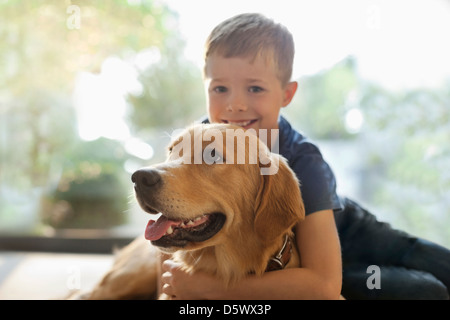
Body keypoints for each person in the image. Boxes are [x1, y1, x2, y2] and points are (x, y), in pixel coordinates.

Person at [159, 13, 450, 300]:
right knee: (425, 291)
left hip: (345, 230)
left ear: (286, 94)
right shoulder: (194, 142)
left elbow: (322, 284)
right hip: (312, 261)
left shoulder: (303, 159)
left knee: (440, 265)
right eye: (220, 88)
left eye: (255, 88)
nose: (234, 105)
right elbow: (168, 239)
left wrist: (211, 290)